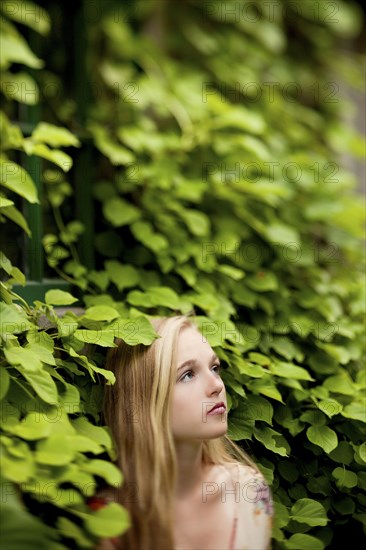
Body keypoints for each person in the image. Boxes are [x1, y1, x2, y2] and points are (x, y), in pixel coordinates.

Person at [92, 314, 273, 549]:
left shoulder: (248, 491)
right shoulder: (109, 520)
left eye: (215, 368)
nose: (217, 385)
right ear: (144, 400)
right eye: (187, 375)